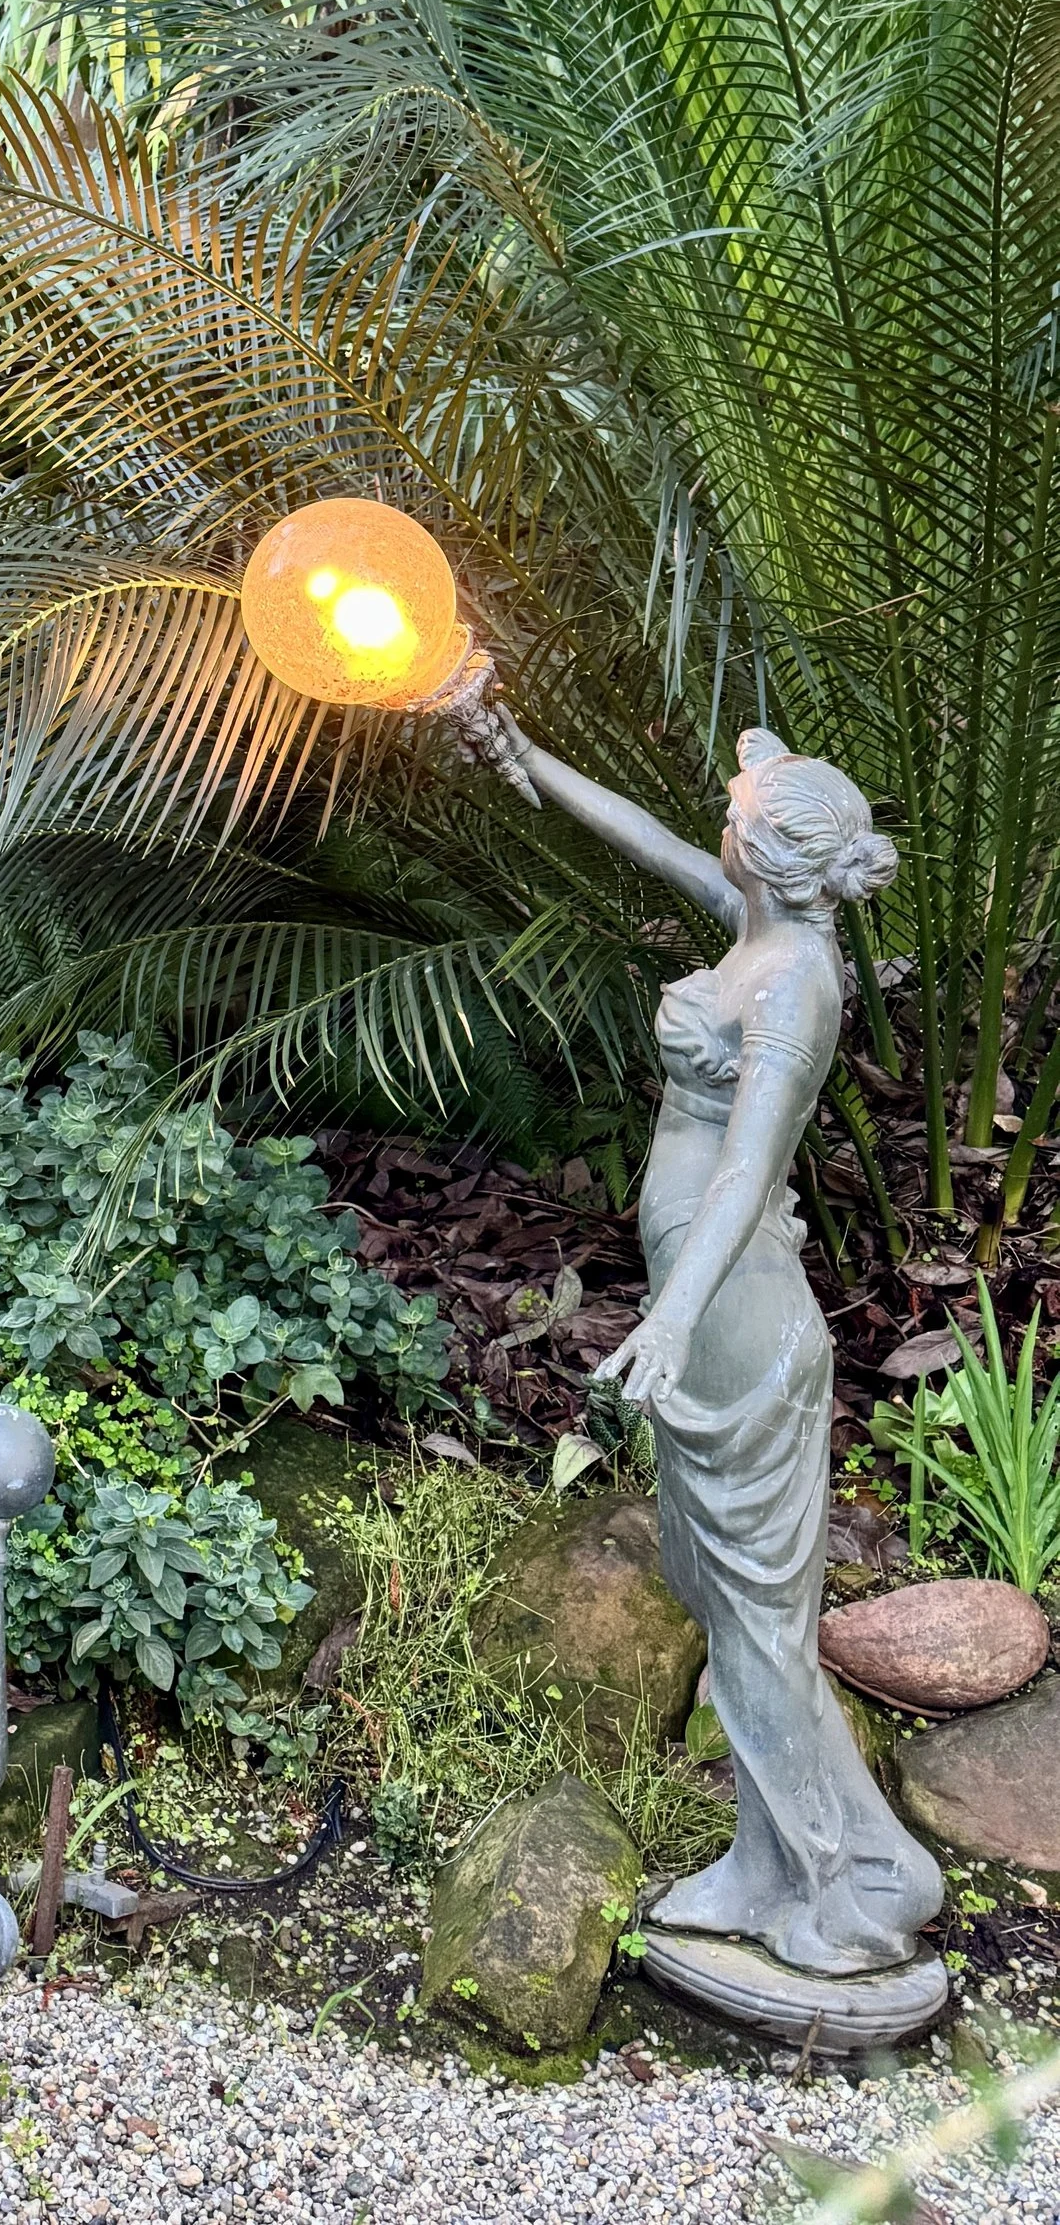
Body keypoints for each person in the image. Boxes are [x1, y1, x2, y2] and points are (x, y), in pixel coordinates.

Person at [456, 697, 942, 1976]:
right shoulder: (759, 923)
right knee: (720, 1600)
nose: (713, 831)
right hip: (708, 1314)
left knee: (756, 1617)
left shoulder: (796, 987)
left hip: (733, 1321)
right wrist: (524, 748)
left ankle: (864, 1880)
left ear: (768, 856)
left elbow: (743, 1170)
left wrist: (666, 1321)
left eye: (732, 819)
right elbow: (644, 844)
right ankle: (763, 1861)